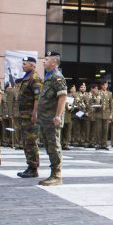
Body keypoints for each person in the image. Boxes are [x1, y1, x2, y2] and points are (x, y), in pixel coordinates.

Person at [37, 51, 68, 186]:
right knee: (49, 146)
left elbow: (62, 97)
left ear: (54, 62)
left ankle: (57, 175)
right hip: (45, 119)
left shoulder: (57, 77)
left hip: (52, 119)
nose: (44, 61)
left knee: (54, 146)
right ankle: (53, 174)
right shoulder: (48, 77)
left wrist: (58, 116)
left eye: (47, 59)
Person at [15, 57, 43, 178]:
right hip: (24, 115)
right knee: (26, 141)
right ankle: (30, 166)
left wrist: (35, 114)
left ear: (32, 65)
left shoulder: (35, 78)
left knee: (31, 141)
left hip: (30, 115)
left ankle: (33, 168)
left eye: (25, 64)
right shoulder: (26, 78)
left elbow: (38, 98)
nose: (23, 66)